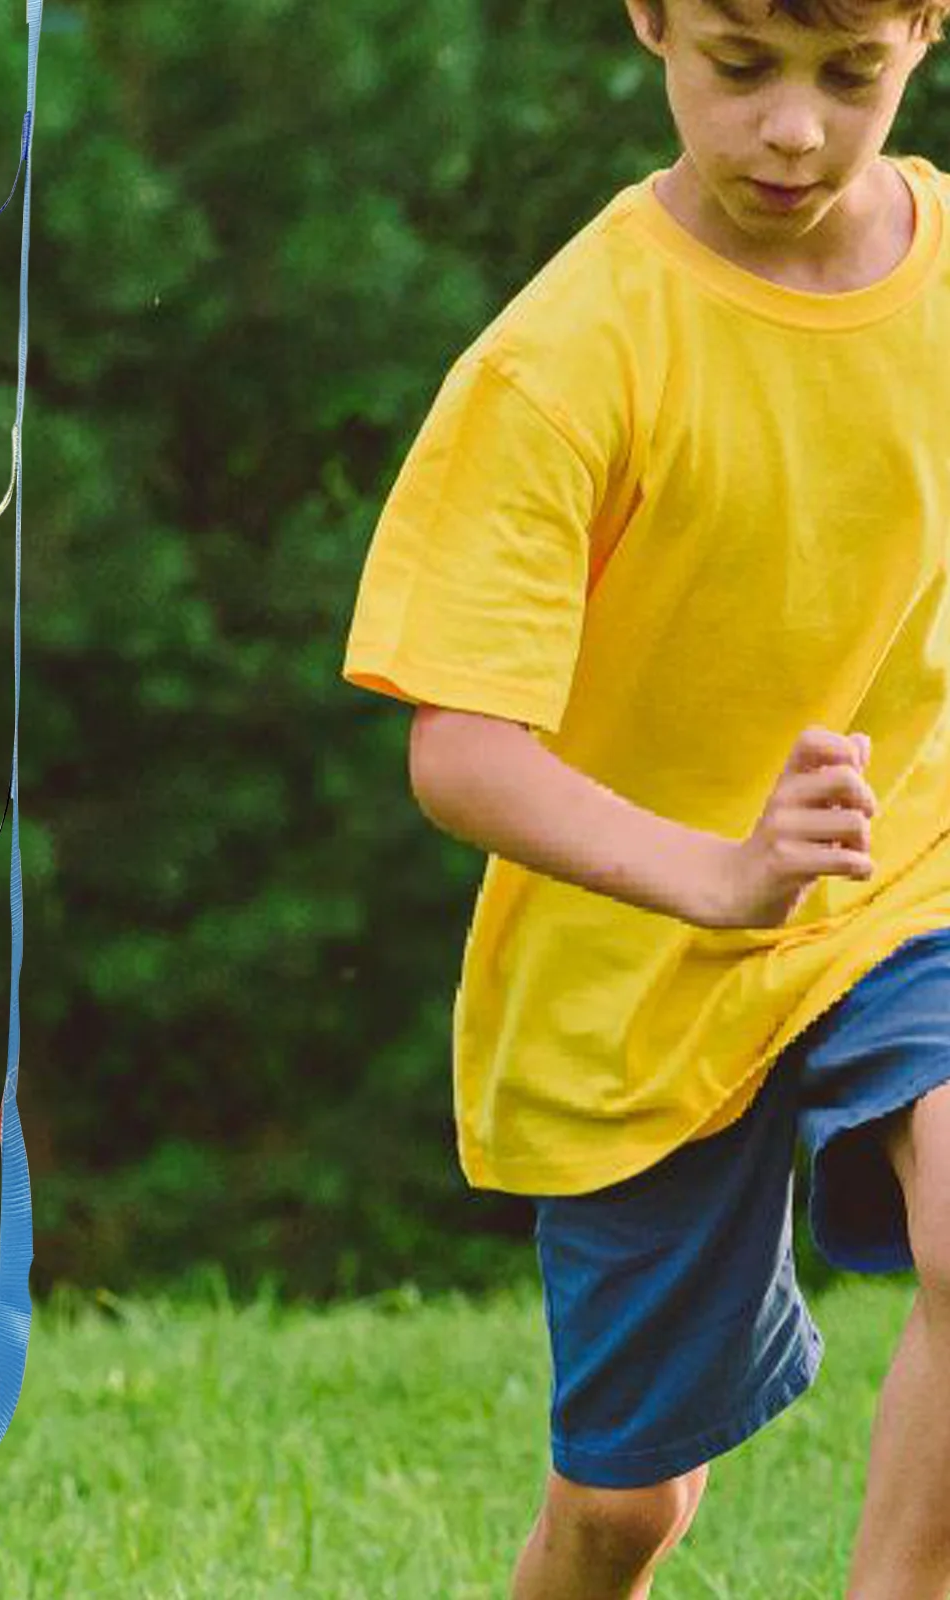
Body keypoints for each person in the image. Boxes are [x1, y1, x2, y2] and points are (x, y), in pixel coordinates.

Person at [341, 2, 950, 1595]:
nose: (797, 132)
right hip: (634, 955)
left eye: (852, 75)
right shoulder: (565, 359)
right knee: (623, 1515)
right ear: (653, 22)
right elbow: (456, 749)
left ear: (928, 32)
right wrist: (721, 875)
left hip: (907, 868)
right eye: (741, 70)